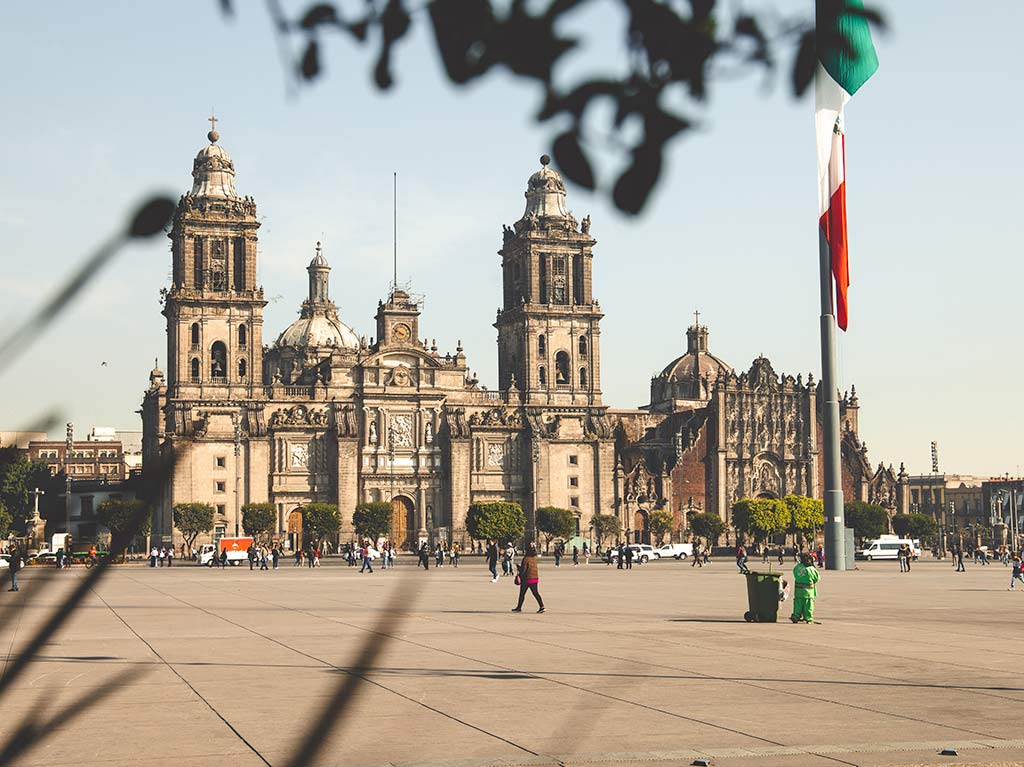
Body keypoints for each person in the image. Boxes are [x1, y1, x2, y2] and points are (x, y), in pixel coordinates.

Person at [512, 542, 545, 613]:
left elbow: (524, 570)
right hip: (535, 578)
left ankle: (519, 607)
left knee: (522, 594)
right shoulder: (533, 559)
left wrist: (519, 569)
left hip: (527, 579)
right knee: (535, 593)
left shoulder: (526, 559)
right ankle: (542, 606)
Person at [790, 552, 820, 624]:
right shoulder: (811, 569)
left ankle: (796, 616)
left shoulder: (797, 567)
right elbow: (817, 578)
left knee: (797, 604)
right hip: (808, 591)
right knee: (808, 605)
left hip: (798, 591)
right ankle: (808, 618)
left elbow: (794, 574)